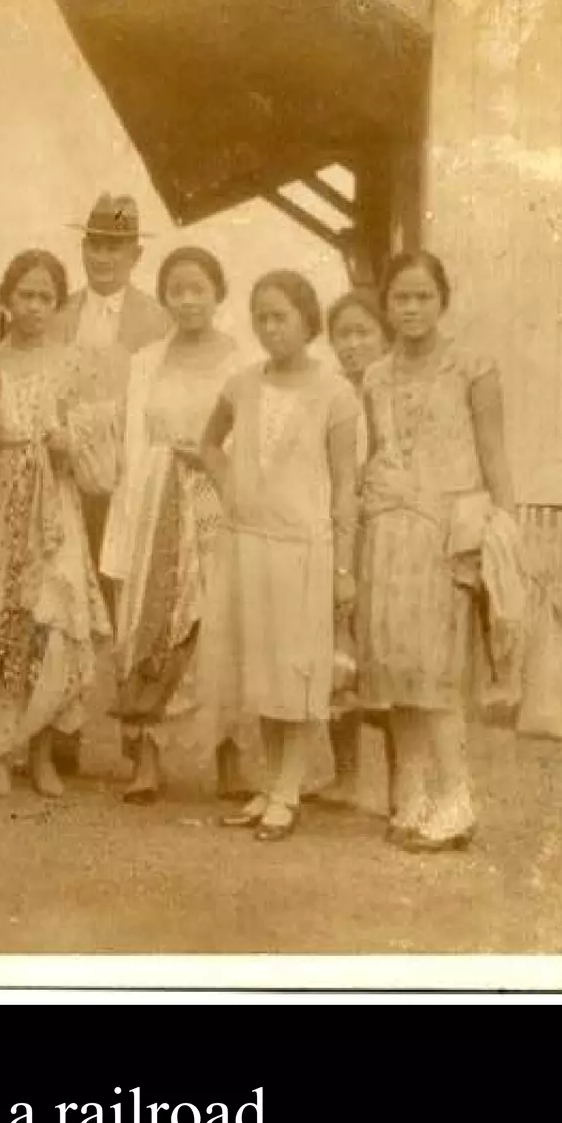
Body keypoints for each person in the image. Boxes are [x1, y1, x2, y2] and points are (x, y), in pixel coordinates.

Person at [354, 252, 518, 853]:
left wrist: (504, 529)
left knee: (440, 670)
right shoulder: (374, 376)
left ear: (442, 299)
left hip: (450, 530)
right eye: (401, 298)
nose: (412, 309)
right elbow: (375, 454)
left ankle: (457, 801)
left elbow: (494, 453)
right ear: (387, 305)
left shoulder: (474, 367)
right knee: (395, 666)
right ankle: (414, 794)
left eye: (423, 296)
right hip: (390, 532)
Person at [200, 270, 362, 841]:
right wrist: (231, 489)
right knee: (262, 675)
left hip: (304, 551)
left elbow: (345, 484)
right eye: (261, 317)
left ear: (307, 321)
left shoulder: (334, 393)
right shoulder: (242, 384)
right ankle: (270, 785)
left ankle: (289, 791)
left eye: (281, 317)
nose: (271, 328)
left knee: (295, 675)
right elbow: (207, 444)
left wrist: (344, 569)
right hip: (249, 545)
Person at [101, 247, 247, 805]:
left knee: (217, 621)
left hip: (215, 495)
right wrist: (130, 514)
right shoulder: (145, 360)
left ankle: (229, 757)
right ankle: (147, 759)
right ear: (164, 298)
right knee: (150, 621)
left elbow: (246, 437)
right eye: (177, 290)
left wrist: (213, 457)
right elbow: (133, 444)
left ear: (217, 292)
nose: (188, 300)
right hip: (156, 497)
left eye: (198, 289)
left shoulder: (240, 361)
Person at [0, 250, 113, 797]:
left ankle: (43, 749)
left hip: (55, 511)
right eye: (24, 295)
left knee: (51, 625)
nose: (33, 306)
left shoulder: (74, 363)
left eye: (45, 297)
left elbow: (98, 452)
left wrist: (66, 443)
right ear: (6, 299)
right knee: (5, 625)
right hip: (1, 509)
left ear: (58, 303)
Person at [50, 193, 171, 774]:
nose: (105, 258)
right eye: (96, 245)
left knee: (131, 606)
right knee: (68, 600)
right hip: (69, 482)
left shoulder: (158, 321)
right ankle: (61, 729)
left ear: (136, 254)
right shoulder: (57, 316)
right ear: (82, 249)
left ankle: (136, 737)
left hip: (131, 483)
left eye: (117, 247)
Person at [320, 289, 397, 814]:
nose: (352, 344)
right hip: (335, 532)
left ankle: (400, 783)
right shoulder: (327, 395)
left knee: (389, 655)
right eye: (342, 334)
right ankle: (345, 776)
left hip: (389, 537)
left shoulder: (395, 393)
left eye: (363, 332)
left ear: (384, 335)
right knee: (337, 653)